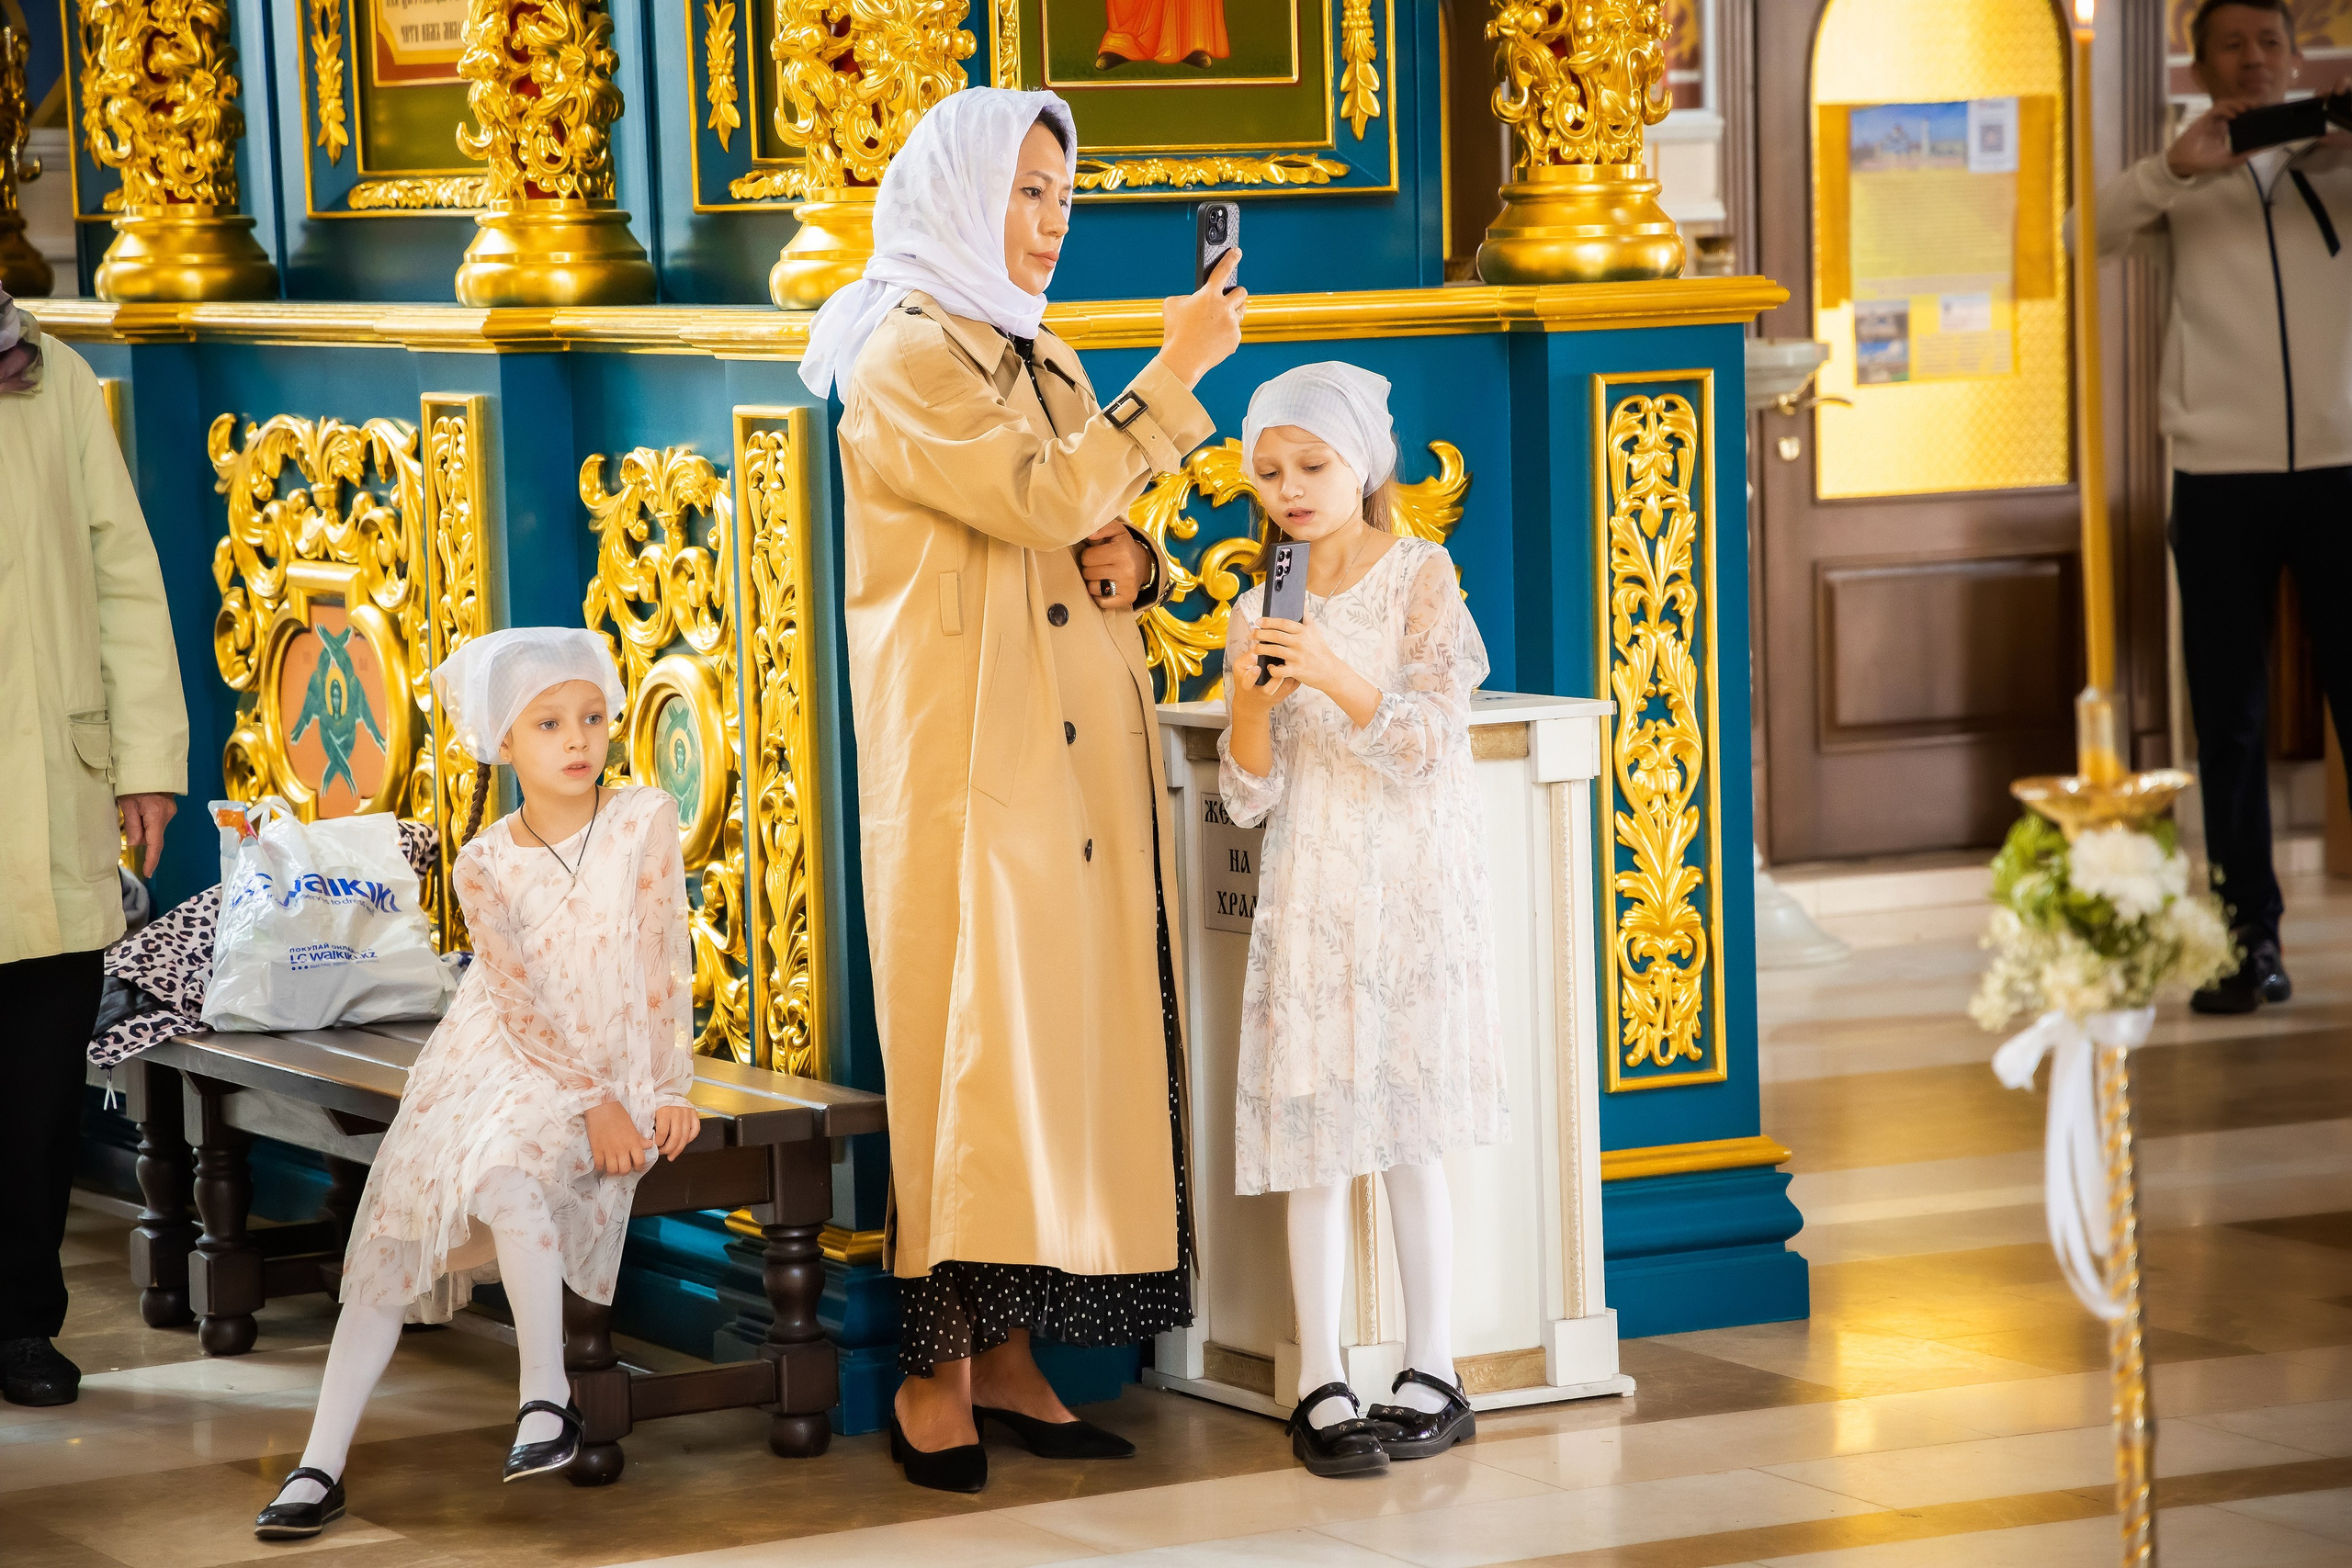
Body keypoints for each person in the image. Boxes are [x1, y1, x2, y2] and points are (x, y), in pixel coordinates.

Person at [803, 85, 1245, 1494]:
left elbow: (1084, 526)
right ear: (958, 193)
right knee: (977, 1058)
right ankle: (935, 1372)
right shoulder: (902, 356)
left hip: (1074, 768)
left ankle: (1011, 1356)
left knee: (1063, 1045)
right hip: (971, 770)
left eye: (1065, 198)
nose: (1051, 225)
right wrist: (1172, 379)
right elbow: (1046, 497)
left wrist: (1144, 571)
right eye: (1028, 194)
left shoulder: (1032, 352)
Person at [252, 628, 701, 1540]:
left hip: (610, 1053)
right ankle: (318, 1464)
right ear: (505, 743)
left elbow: (663, 961)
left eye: (591, 718)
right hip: (502, 1057)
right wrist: (594, 1102)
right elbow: (517, 1003)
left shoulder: (641, 818)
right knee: (389, 1247)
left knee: (504, 1178)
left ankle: (544, 1400)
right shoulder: (485, 861)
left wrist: (665, 1089)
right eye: (548, 724)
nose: (577, 740)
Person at [1217, 363, 1507, 1478]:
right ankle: (1321, 1380)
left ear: (1363, 465)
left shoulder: (1422, 576)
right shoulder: (1257, 602)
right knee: (1315, 1139)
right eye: (1270, 469)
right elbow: (1249, 794)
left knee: (1408, 1135)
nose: (1289, 488)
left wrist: (1333, 670)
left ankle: (1435, 1368)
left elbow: (1433, 742)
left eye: (1312, 465)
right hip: (1313, 888)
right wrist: (1250, 703)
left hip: (1412, 887)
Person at [2091, 0, 2351, 1014]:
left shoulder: (2338, 163)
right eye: (2232, 47)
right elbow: (2080, 235)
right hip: (2218, 486)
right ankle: (2251, 944)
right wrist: (2173, 169)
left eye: (2270, 44)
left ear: (2297, 57)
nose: (2254, 62)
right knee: (2229, 723)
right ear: (2198, 67)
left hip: (2340, 475)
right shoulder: (2178, 180)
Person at [0, 285, 187, 1409]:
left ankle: (23, 1321)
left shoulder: (53, 381)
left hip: (42, 794)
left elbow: (122, 577)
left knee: (35, 1086)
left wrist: (146, 762)